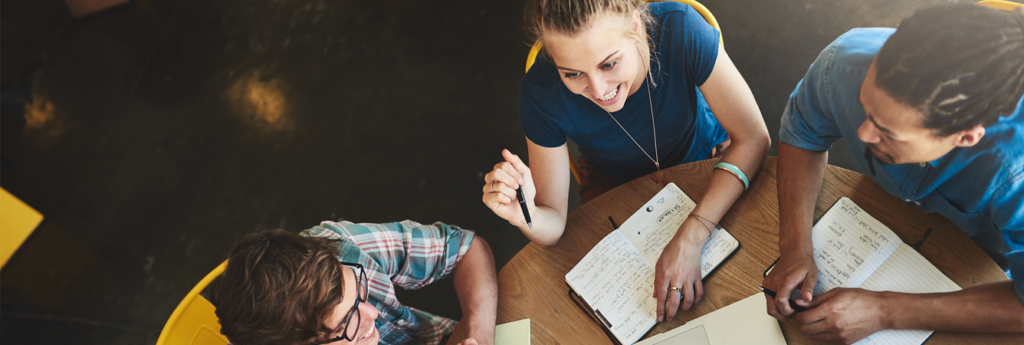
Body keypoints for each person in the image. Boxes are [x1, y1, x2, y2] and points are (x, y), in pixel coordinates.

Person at [481, 0, 769, 322]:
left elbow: (753, 139)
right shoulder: (541, 94)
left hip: (707, 154)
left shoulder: (680, 27)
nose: (599, 90)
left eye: (609, 65)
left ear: (635, 26)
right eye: (573, 73)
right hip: (616, 184)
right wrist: (525, 214)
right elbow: (554, 224)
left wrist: (692, 234)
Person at [763, 4, 1024, 344]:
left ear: (965, 137)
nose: (863, 134)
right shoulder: (844, 63)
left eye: (887, 132)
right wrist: (795, 246)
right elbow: (804, 132)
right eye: (865, 106)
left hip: (982, 276)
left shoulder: (1015, 176)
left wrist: (885, 311)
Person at [211, 221, 497, 345]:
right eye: (344, 324)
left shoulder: (341, 247)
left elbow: (463, 247)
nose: (371, 313)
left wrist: (479, 335)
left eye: (359, 293)